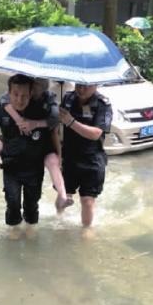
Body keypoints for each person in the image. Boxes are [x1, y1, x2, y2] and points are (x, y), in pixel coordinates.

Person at [0, 78, 72, 212]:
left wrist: (35, 124)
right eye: (32, 91)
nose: (29, 96)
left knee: (52, 160)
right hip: (13, 140)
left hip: (40, 141)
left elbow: (54, 123)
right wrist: (18, 119)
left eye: (36, 92)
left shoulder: (48, 99)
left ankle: (62, 196)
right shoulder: (17, 93)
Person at [0, 74, 54, 236]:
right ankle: (14, 228)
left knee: (32, 202)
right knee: (12, 201)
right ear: (9, 93)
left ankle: (31, 227)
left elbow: (54, 124)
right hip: (11, 166)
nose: (19, 99)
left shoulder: (40, 110)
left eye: (24, 95)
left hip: (34, 167)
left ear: (31, 93)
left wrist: (36, 124)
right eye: (16, 95)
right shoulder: (0, 108)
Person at [58, 84, 112, 231]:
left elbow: (96, 134)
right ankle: (58, 221)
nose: (81, 89)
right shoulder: (68, 98)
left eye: (86, 87)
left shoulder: (103, 104)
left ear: (96, 85)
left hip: (92, 159)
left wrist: (71, 122)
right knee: (63, 195)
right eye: (79, 85)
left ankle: (86, 230)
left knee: (87, 200)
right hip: (69, 157)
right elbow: (57, 128)